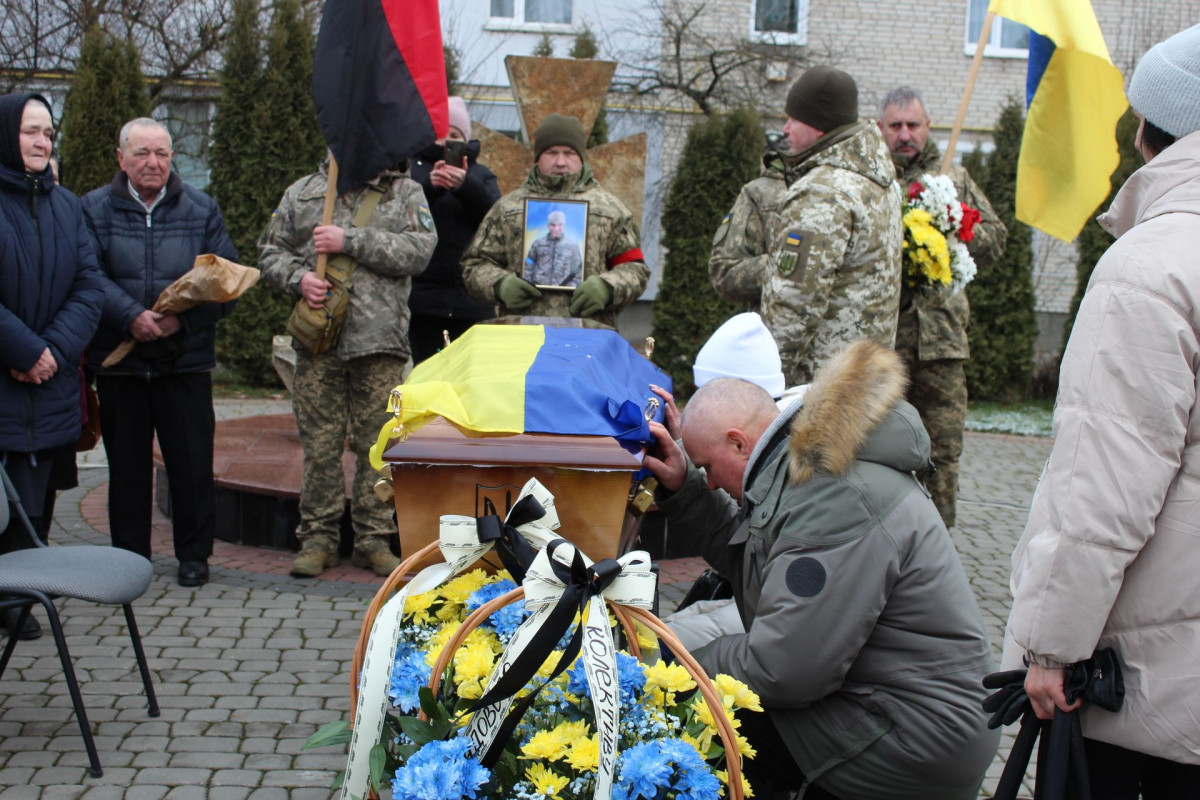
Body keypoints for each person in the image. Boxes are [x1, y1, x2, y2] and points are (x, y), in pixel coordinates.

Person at [644, 340, 997, 799]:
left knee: (690, 712)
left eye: (708, 467)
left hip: (912, 737)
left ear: (738, 441)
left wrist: (675, 664)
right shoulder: (805, 471)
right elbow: (754, 563)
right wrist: (686, 489)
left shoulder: (836, 493)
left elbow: (785, 671)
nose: (710, 481)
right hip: (890, 709)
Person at [1003, 24, 1200, 795]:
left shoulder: (1152, 268)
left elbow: (1105, 480)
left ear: (1147, 131)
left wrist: (1050, 647)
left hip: (1155, 688)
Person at [259, 157, 437, 577]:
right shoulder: (304, 192)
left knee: (377, 446)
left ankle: (373, 540)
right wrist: (299, 278)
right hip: (321, 341)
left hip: (380, 341)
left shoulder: (405, 192)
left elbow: (419, 250)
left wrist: (350, 240)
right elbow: (270, 252)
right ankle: (318, 538)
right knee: (320, 445)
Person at [83, 117, 239, 589]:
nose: (152, 162)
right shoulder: (92, 209)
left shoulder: (201, 208)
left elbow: (226, 281)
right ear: (121, 158)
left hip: (184, 361)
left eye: (161, 154)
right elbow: (87, 274)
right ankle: (130, 557)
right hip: (120, 362)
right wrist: (130, 314)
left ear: (172, 158)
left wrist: (182, 321)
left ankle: (194, 555)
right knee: (127, 467)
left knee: (191, 465)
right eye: (141, 153)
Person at [878, 86, 1006, 529]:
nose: (905, 134)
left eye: (913, 125)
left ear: (927, 127)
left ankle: (937, 551)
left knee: (941, 453)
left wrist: (955, 222)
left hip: (940, 344)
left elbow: (996, 240)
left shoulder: (953, 177)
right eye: (896, 126)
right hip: (881, 343)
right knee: (875, 451)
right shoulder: (872, 179)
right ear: (881, 129)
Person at [0, 92, 103, 638]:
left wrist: (51, 353)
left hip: (52, 384)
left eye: (46, 132)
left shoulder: (69, 206)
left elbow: (89, 286)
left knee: (39, 498)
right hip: (7, 384)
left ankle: (20, 596)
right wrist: (23, 350)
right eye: (28, 131)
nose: (41, 142)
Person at [761, 66, 903, 387]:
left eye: (793, 118)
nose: (785, 128)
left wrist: (767, 385)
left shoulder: (824, 191)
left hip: (817, 391)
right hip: (865, 382)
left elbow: (793, 305)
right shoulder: (879, 183)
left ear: (818, 124)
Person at [461, 113, 648, 326]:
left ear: (581, 157)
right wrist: (500, 285)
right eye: (551, 153)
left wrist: (607, 287)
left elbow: (635, 268)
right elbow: (475, 264)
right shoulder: (508, 209)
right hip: (520, 336)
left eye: (569, 153)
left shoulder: (610, 210)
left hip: (587, 336)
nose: (560, 162)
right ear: (538, 157)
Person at [408, 96, 500, 363]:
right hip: (422, 301)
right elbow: (401, 217)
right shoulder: (412, 170)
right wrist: (430, 188)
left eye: (455, 134)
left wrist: (466, 185)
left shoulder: (481, 174)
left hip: (470, 301)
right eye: (441, 132)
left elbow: (494, 219)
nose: (447, 140)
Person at [708, 145, 787, 313]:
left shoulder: (854, 184)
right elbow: (724, 271)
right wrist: (788, 265)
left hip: (852, 336)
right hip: (777, 333)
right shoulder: (760, 192)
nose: (786, 129)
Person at [523, 209, 583, 287]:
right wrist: (530, 285)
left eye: (560, 224)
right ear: (548, 226)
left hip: (563, 293)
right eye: (553, 225)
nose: (556, 228)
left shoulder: (572, 246)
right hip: (538, 291)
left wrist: (570, 287)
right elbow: (528, 266)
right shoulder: (538, 243)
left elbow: (578, 271)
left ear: (564, 225)